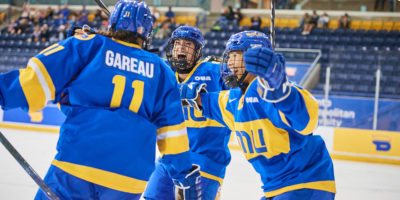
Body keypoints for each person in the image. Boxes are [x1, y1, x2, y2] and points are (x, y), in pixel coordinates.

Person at [0, 1, 201, 200]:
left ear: (112, 23)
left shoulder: (88, 45)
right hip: (129, 180)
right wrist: (183, 175)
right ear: (147, 33)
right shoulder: (162, 71)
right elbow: (173, 133)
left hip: (78, 164)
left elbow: (35, 81)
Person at [179, 30, 336, 199]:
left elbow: (306, 122)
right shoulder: (235, 99)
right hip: (277, 188)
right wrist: (182, 92)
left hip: (306, 184)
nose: (230, 63)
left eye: (236, 55)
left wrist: (282, 93)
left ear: (254, 57)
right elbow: (205, 101)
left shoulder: (270, 91)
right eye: (229, 56)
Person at [144, 26, 231, 200]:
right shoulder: (164, 72)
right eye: (178, 44)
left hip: (206, 160)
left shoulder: (215, 72)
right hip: (170, 159)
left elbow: (241, 94)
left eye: (188, 44)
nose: (181, 48)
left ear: (197, 51)